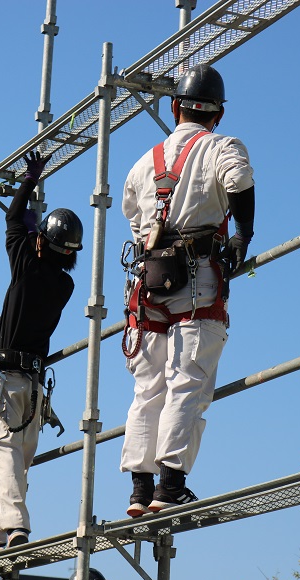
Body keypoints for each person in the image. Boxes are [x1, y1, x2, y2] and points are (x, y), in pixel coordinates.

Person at [119, 63, 256, 516]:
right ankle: (169, 484)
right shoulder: (222, 146)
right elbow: (239, 181)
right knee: (188, 381)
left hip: (148, 283)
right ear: (217, 114)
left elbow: (135, 220)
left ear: (175, 106)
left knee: (148, 388)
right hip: (197, 281)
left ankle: (139, 489)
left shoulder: (144, 163)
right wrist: (242, 236)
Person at [0, 151, 83, 556]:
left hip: (6, 379)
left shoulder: (25, 266)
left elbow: (14, 220)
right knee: (6, 460)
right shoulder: (63, 286)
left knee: (2, 452)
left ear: (39, 244)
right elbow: (30, 235)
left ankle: (14, 527)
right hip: (33, 386)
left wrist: (31, 179)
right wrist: (36, 229)